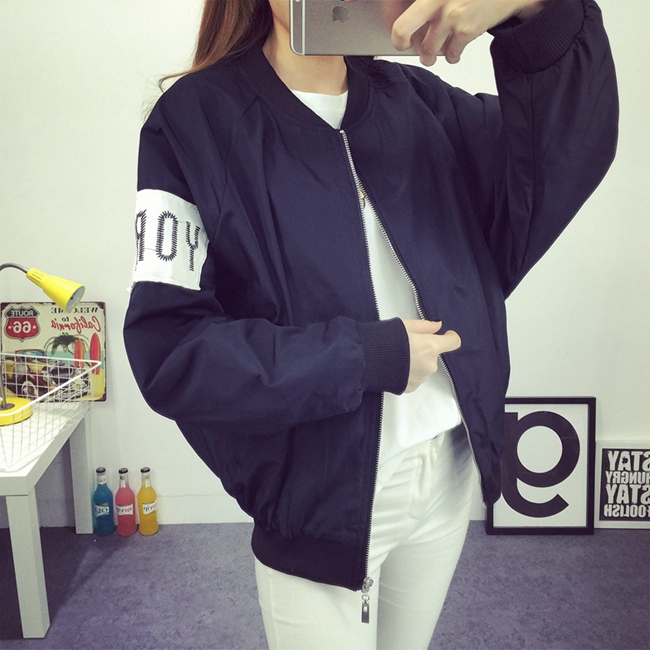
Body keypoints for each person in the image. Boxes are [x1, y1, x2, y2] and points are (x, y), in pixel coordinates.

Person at [124, 0, 618, 647]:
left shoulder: (417, 103)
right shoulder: (194, 121)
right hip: (317, 496)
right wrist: (364, 354)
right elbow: (173, 351)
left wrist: (534, 11)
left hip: (446, 465)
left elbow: (558, 161)